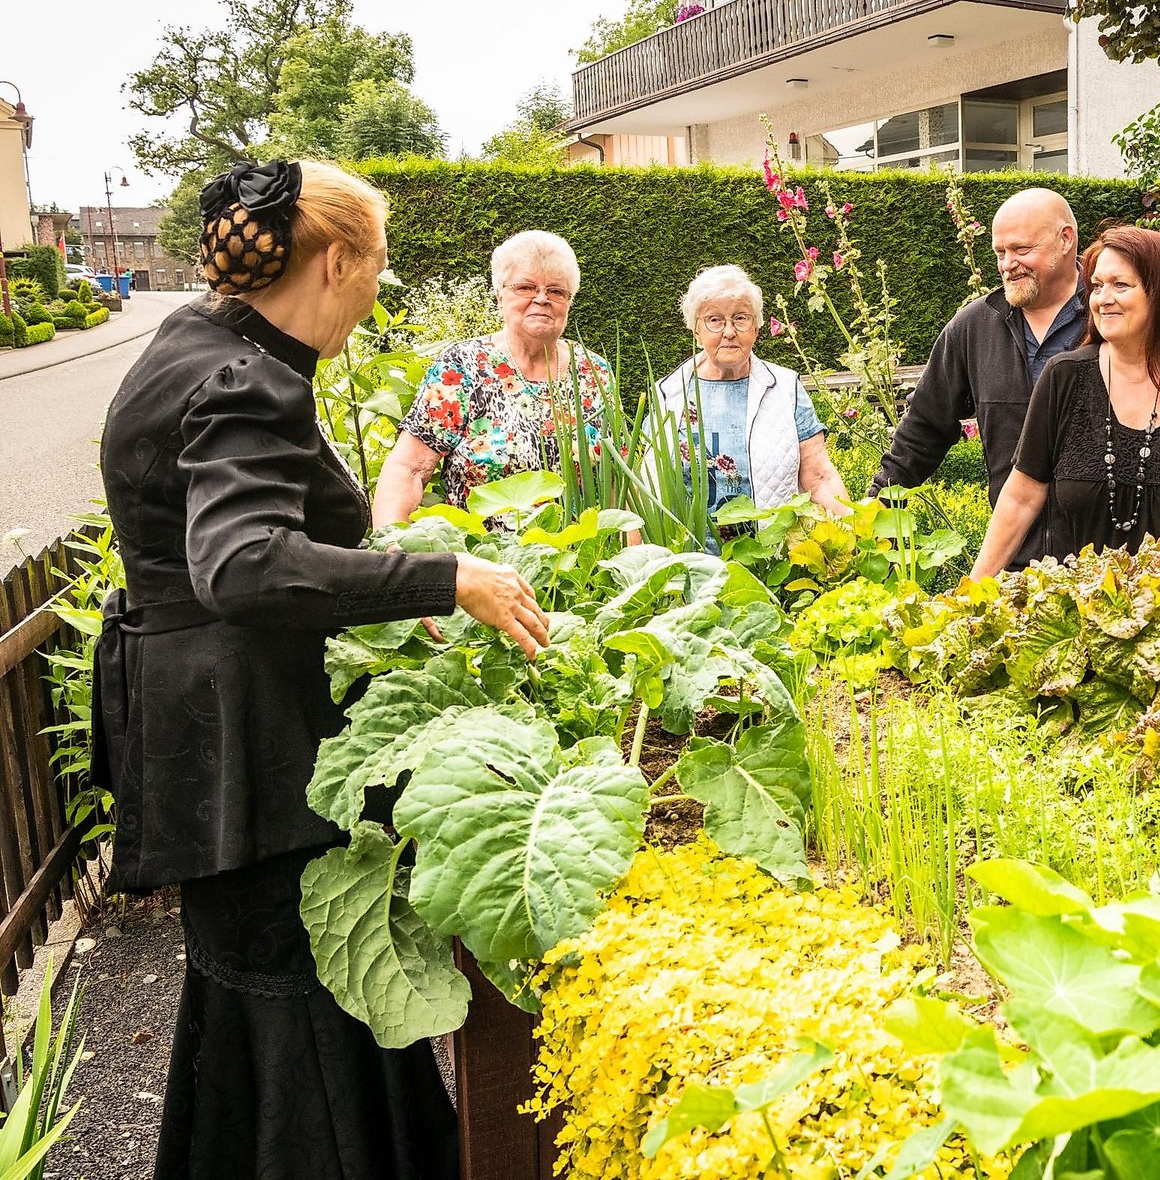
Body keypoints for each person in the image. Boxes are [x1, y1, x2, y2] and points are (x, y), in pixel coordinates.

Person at [95, 160, 550, 1179]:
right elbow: (244, 562)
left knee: (264, 999)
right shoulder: (242, 380)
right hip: (248, 742)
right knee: (294, 1004)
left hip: (198, 729)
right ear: (337, 259)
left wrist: (383, 601)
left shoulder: (195, 340)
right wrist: (447, 578)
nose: (375, 294)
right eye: (374, 272)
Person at [969, 226, 1160, 577]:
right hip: (1079, 615)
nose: (1103, 298)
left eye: (1121, 285)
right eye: (1097, 285)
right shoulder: (1066, 376)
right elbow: (1021, 496)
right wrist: (972, 593)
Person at [872, 187, 1085, 567]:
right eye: (1000, 253)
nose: (1007, 265)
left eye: (1021, 250)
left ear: (1065, 240)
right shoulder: (975, 326)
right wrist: (874, 507)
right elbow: (925, 425)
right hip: (1015, 558)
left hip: (1104, 556)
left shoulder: (1109, 316)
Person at [373, 230, 616, 526]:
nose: (542, 299)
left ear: (569, 301)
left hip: (574, 565)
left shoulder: (594, 373)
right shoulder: (462, 366)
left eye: (556, 291)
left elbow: (616, 480)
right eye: (526, 287)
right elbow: (409, 469)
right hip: (482, 560)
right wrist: (393, 553)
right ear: (500, 295)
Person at [654, 264, 851, 523]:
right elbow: (648, 486)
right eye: (714, 320)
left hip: (773, 557)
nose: (729, 331)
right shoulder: (669, 393)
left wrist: (855, 532)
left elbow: (820, 477)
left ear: (756, 329)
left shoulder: (785, 388)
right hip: (691, 560)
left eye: (741, 318)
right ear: (696, 332)